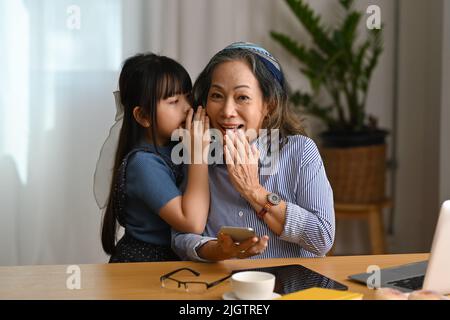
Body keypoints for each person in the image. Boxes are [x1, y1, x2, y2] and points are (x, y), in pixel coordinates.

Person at [172, 42, 335, 261]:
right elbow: (181, 237)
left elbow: (322, 238)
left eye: (242, 97)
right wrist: (218, 251)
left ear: (269, 105)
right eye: (217, 96)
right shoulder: (197, 152)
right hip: (221, 287)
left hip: (289, 289)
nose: (227, 111)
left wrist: (254, 190)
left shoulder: (300, 152)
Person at [100, 53, 210, 262]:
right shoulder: (143, 163)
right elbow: (193, 222)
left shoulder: (179, 145)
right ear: (143, 116)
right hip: (146, 267)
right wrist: (199, 155)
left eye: (188, 96)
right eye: (174, 101)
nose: (187, 108)